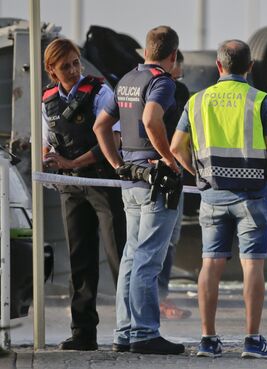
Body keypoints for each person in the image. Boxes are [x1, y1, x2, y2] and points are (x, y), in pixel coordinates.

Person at [170, 39, 267, 359]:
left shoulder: (197, 101)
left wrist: (198, 173)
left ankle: (208, 340)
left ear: (218, 66)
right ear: (250, 68)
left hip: (213, 195)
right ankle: (252, 340)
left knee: (210, 263)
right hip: (253, 196)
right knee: (253, 266)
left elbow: (175, 146)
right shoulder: (260, 100)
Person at [93, 25, 184, 355]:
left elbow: (100, 126)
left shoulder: (126, 80)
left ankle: (124, 331)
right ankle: (145, 332)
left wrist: (117, 163)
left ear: (145, 51)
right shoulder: (162, 81)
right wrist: (168, 159)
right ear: (172, 55)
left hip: (130, 179)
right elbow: (151, 119)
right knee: (148, 258)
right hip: (155, 180)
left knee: (131, 256)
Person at [41, 38, 126, 351]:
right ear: (52, 70)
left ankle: (130, 328)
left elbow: (113, 138)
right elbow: (46, 140)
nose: (74, 69)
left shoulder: (100, 91)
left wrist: (72, 162)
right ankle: (83, 333)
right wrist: (48, 157)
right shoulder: (47, 99)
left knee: (118, 256)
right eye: (66, 66)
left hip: (103, 183)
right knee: (80, 261)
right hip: (71, 188)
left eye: (76, 62)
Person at [157, 50, 191, 320]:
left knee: (166, 237)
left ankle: (158, 296)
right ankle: (159, 298)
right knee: (165, 237)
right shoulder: (177, 90)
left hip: (150, 171)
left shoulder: (138, 82)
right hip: (168, 171)